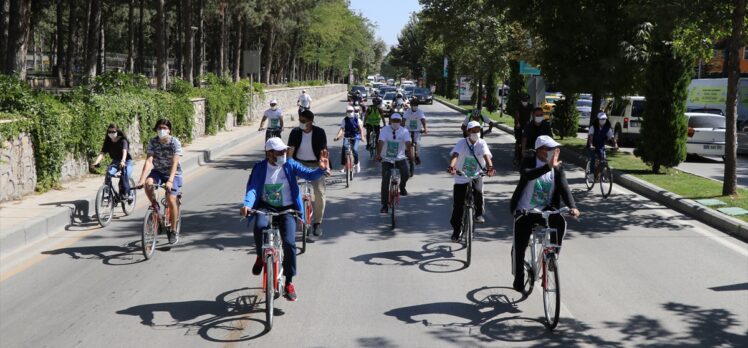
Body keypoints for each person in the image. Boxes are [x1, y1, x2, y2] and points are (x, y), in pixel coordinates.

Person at [241, 138, 330, 302]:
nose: (284, 154)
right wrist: (247, 204)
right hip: (266, 206)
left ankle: (289, 281)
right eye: (279, 152)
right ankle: (261, 256)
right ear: (269, 153)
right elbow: (253, 188)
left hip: (288, 208)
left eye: (284, 151)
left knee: (289, 243)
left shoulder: (290, 165)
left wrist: (320, 169)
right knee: (259, 226)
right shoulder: (260, 168)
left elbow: (308, 174)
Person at [509, 135, 580, 293]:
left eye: (555, 149)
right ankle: (519, 279)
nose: (553, 152)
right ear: (540, 150)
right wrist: (548, 166)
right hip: (525, 210)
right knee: (519, 247)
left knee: (560, 222)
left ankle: (551, 259)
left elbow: (564, 188)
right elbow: (528, 174)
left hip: (546, 209)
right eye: (549, 149)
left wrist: (572, 206)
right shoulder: (528, 160)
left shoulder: (558, 167)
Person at [136, 119, 184, 244]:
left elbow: (175, 163)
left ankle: (173, 230)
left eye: (164, 128)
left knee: (171, 199)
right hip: (158, 171)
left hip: (174, 174)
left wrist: (170, 180)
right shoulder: (153, 141)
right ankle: (155, 207)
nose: (161, 130)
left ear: (169, 130)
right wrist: (141, 179)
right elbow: (149, 161)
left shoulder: (175, 142)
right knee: (148, 184)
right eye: (159, 128)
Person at [447, 121, 496, 241]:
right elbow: (455, 155)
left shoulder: (482, 143)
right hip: (461, 175)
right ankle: (456, 230)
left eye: (478, 131)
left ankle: (478, 214)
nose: (475, 133)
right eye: (473, 131)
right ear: (467, 132)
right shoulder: (461, 143)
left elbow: (486, 156)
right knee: (458, 205)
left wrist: (490, 168)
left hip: (476, 174)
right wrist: (452, 166)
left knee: (478, 191)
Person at [287, 109, 329, 237]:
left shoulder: (319, 132)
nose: (300, 123)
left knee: (319, 192)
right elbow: (290, 152)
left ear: (310, 122)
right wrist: (288, 166)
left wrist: (325, 167)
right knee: (290, 189)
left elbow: (323, 152)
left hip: (316, 164)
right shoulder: (295, 132)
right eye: (299, 120)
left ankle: (317, 223)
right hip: (299, 164)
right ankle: (292, 217)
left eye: (303, 121)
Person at [376, 113, 413, 213]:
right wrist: (378, 154)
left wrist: (411, 156)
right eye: (394, 121)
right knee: (385, 181)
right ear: (390, 121)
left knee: (406, 173)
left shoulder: (404, 131)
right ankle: (384, 205)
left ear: (400, 121)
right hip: (387, 159)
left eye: (397, 121)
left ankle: (402, 186)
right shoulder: (384, 130)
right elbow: (381, 142)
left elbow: (408, 144)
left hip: (400, 158)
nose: (395, 123)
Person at [91, 123, 134, 202]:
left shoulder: (123, 140)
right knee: (108, 174)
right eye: (109, 132)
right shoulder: (108, 141)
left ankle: (129, 193)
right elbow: (102, 153)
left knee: (124, 176)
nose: (111, 134)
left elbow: (124, 151)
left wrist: (123, 161)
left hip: (126, 161)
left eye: (113, 132)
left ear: (117, 131)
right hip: (115, 161)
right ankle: (108, 193)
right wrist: (96, 162)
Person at [334, 106, 366, 173]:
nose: (349, 112)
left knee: (354, 149)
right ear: (346, 112)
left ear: (353, 111)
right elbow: (342, 129)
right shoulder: (344, 120)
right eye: (348, 111)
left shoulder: (357, 119)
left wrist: (362, 137)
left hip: (356, 136)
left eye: (351, 111)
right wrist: (337, 136)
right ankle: (344, 166)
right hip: (347, 136)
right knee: (344, 148)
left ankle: (357, 164)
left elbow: (361, 129)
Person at [586, 112, 618, 178]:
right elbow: (591, 137)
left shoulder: (607, 128)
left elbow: (612, 137)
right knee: (593, 159)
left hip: (601, 146)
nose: (603, 120)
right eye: (601, 119)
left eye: (604, 119)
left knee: (603, 160)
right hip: (593, 145)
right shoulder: (593, 127)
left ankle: (599, 173)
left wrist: (615, 144)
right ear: (598, 120)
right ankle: (591, 174)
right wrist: (591, 145)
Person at [403, 98, 428, 165]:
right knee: (407, 142)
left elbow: (423, 120)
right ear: (411, 105)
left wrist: (425, 128)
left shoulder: (420, 112)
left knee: (418, 143)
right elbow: (403, 120)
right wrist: (401, 128)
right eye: (413, 105)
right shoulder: (407, 111)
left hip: (417, 130)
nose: (415, 106)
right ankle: (406, 151)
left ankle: (417, 156)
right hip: (408, 130)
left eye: (416, 105)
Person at [513, 94, 534, 165]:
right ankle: (516, 157)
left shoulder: (530, 106)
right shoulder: (518, 106)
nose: (525, 102)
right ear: (521, 100)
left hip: (527, 124)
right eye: (523, 100)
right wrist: (518, 123)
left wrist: (531, 122)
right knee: (518, 141)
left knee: (529, 139)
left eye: (526, 100)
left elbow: (532, 115)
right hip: (519, 124)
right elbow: (517, 114)